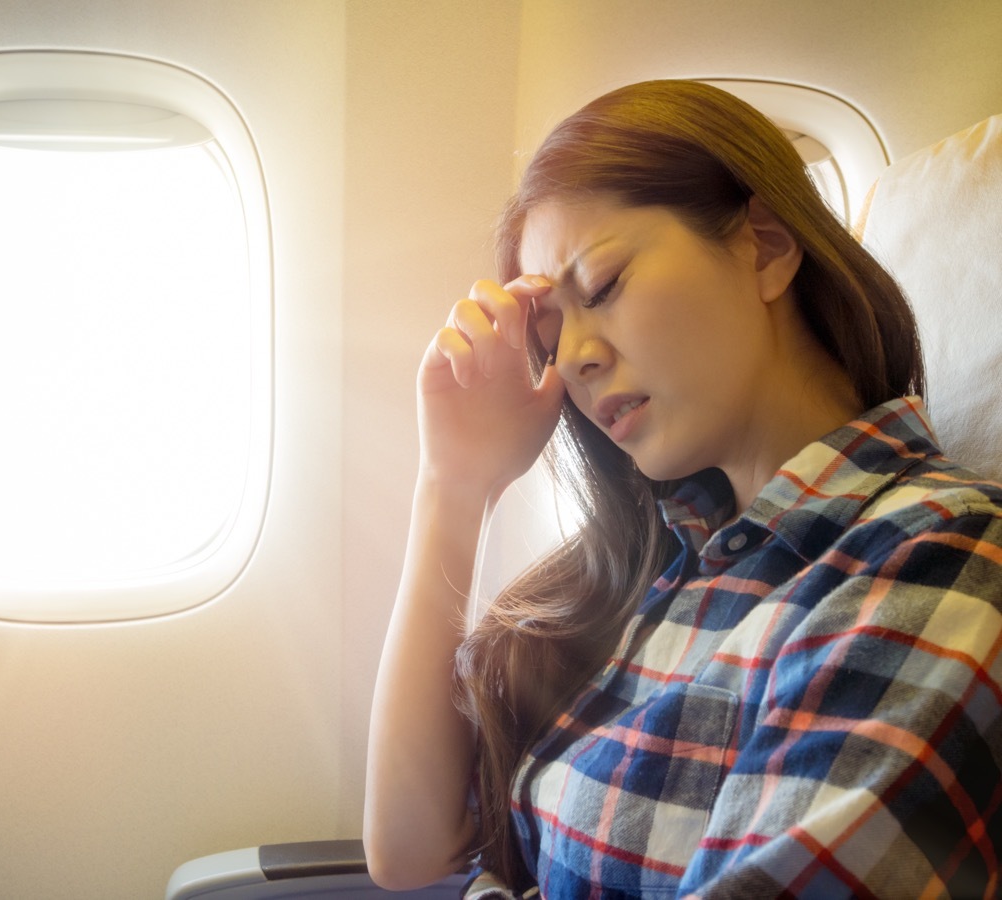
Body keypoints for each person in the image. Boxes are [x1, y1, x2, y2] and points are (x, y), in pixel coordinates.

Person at [363, 79, 1002, 898]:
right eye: (552, 337)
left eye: (603, 288)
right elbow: (408, 850)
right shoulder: (666, 563)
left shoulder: (938, 556)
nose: (576, 360)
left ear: (766, 246)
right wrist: (453, 482)